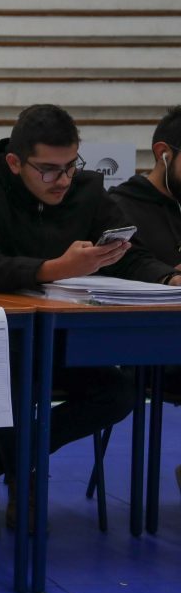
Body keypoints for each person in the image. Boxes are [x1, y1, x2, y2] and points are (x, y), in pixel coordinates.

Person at [0, 104, 181, 528]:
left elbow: (129, 256)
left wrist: (166, 278)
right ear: (15, 162)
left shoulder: (88, 190)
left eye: (71, 166)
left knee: (120, 393)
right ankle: (22, 479)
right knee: (12, 394)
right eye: (49, 170)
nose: (64, 180)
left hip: (63, 341)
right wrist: (56, 268)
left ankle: (0, 455)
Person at [108, 105, 181, 496]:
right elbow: (129, 259)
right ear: (163, 153)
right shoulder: (121, 204)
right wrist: (171, 276)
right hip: (144, 349)